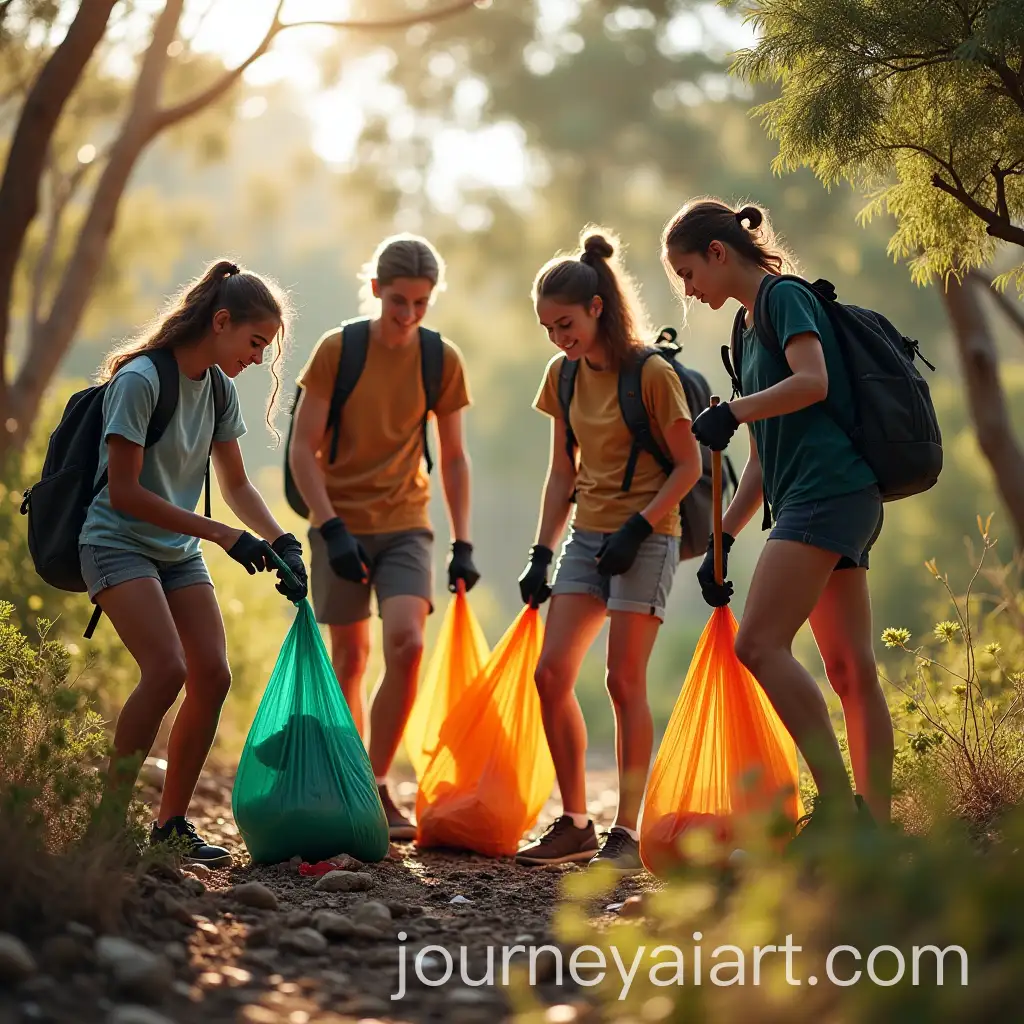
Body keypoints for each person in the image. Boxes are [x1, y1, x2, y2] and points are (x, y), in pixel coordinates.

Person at [660, 197, 892, 839]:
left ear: (717, 253)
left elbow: (813, 381)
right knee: (849, 671)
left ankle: (841, 811)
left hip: (830, 493)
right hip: (812, 498)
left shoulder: (782, 296)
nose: (688, 289)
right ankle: (874, 825)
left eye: (688, 273)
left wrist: (733, 411)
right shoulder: (744, 328)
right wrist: (724, 537)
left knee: (758, 643)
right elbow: (764, 455)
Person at [84, 259, 308, 867]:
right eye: (255, 342)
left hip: (176, 550)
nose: (258, 358)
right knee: (165, 669)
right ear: (221, 320)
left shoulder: (217, 388)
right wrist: (223, 537)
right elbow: (125, 493)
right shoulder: (140, 380)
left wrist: (280, 539)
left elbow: (235, 483)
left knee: (212, 673)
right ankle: (106, 828)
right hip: (116, 541)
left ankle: (170, 826)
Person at [515, 229, 702, 873]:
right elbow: (561, 473)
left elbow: (688, 466)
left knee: (622, 680)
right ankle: (574, 823)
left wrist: (639, 529)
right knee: (550, 674)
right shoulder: (560, 376)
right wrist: (541, 553)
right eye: (547, 327)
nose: (557, 337)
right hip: (586, 535)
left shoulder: (650, 373)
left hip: (649, 536)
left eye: (564, 323)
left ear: (597, 308)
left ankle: (626, 829)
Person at [288, 234, 477, 840]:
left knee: (407, 645)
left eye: (422, 304)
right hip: (339, 522)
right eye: (399, 301)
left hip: (406, 524)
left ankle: (371, 788)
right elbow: (302, 448)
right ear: (375, 289)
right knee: (350, 658)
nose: (409, 315)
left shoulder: (439, 359)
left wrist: (463, 541)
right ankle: (345, 782)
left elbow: (452, 458)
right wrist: (330, 526)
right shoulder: (337, 351)